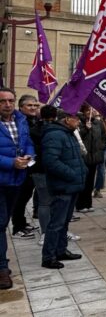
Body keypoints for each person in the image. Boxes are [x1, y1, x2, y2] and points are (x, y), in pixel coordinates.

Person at [41, 109, 85, 270]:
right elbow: (51, 161)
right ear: (67, 119)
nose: (79, 121)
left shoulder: (68, 133)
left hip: (71, 185)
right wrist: (72, 174)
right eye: (76, 119)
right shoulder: (54, 135)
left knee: (64, 222)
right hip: (62, 185)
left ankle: (60, 250)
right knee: (56, 223)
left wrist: (82, 171)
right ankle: (48, 256)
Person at [0, 88, 34, 289]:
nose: (7, 104)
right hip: (2, 178)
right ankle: (2, 269)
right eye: (3, 101)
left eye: (11, 100)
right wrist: (10, 162)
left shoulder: (20, 120)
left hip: (16, 180)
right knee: (0, 223)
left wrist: (28, 157)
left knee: (3, 223)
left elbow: (28, 143)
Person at [10, 95, 40, 239]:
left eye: (35, 105)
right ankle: (17, 227)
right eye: (29, 105)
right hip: (21, 165)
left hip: (32, 165)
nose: (33, 108)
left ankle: (22, 223)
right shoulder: (19, 121)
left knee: (26, 196)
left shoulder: (34, 120)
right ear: (21, 107)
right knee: (20, 198)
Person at [33, 105, 57, 247]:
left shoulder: (34, 130)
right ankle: (49, 232)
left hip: (39, 169)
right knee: (53, 202)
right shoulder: (57, 130)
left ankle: (46, 232)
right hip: (48, 170)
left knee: (44, 202)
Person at [76, 104, 106, 213]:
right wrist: (85, 129)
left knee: (90, 182)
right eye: (88, 110)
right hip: (84, 157)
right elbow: (77, 136)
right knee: (83, 182)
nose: (90, 112)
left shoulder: (98, 123)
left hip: (94, 157)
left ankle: (88, 204)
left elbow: (103, 137)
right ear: (83, 111)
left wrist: (101, 148)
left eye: (92, 110)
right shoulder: (79, 122)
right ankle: (80, 204)